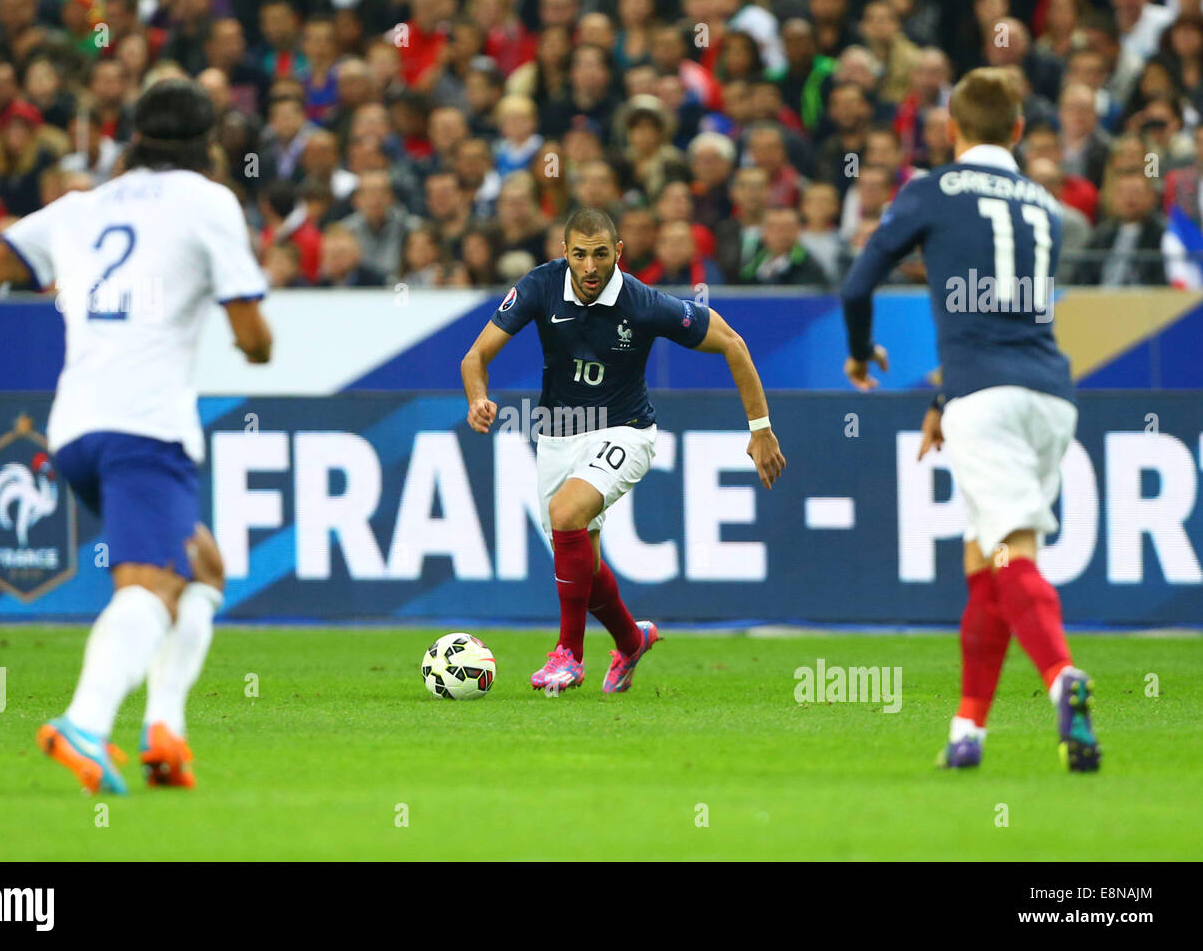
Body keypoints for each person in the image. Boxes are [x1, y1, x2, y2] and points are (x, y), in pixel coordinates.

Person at [0, 78, 273, 794]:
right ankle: (83, 722)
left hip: (74, 428)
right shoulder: (210, 201)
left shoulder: (79, 207)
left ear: (132, 136)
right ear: (208, 146)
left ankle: (164, 730)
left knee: (201, 569)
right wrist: (252, 333)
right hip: (146, 427)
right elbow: (252, 338)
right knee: (148, 583)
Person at [840, 68, 1101, 773]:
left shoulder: (930, 189)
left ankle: (1061, 678)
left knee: (1012, 551)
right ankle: (967, 730)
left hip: (985, 399)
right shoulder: (1043, 204)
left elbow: (859, 282)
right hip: (1048, 394)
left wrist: (862, 356)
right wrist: (941, 401)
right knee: (985, 563)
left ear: (952, 131)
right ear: (1018, 131)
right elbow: (1003, 314)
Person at [460, 207, 786, 694]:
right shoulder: (539, 287)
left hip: (625, 430)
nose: (590, 267)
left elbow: (733, 344)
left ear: (618, 252)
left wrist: (760, 429)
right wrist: (478, 398)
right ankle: (632, 641)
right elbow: (476, 356)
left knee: (566, 513)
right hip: (555, 434)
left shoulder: (645, 303)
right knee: (580, 566)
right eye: (579, 255)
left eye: (599, 254)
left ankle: (567, 654)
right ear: (564, 254)